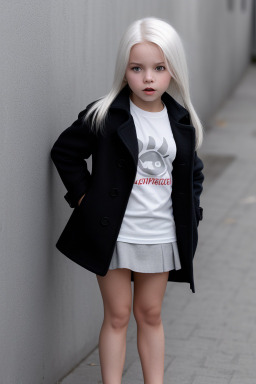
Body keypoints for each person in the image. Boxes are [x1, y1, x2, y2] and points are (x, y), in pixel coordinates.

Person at [51, 17, 204, 384]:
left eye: (158, 68)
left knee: (150, 314)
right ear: (125, 70)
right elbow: (65, 152)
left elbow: (193, 173)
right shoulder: (105, 115)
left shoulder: (181, 122)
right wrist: (85, 198)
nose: (148, 78)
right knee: (117, 315)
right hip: (115, 234)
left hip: (161, 234)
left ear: (173, 71)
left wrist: (192, 215)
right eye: (137, 68)